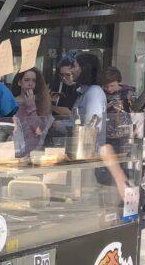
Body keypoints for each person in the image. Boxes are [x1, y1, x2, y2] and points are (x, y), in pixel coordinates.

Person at [73, 54, 128, 201]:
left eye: (75, 66)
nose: (72, 70)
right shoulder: (84, 92)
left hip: (91, 155)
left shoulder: (94, 93)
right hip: (84, 155)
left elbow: (92, 128)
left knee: (91, 197)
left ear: (84, 69)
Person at [12, 67, 53, 156]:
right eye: (26, 80)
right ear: (19, 82)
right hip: (16, 151)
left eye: (33, 81)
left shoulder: (41, 103)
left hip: (35, 153)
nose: (30, 84)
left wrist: (31, 106)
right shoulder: (12, 102)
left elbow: (39, 131)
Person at [99, 66, 133, 158]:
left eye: (112, 85)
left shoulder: (128, 93)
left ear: (118, 81)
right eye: (106, 86)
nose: (109, 89)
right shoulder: (100, 93)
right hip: (106, 135)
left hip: (124, 135)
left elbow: (134, 112)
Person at [51, 54, 79, 118]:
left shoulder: (79, 89)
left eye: (67, 75)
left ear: (74, 73)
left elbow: (69, 112)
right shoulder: (56, 86)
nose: (64, 78)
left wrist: (50, 106)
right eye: (62, 75)